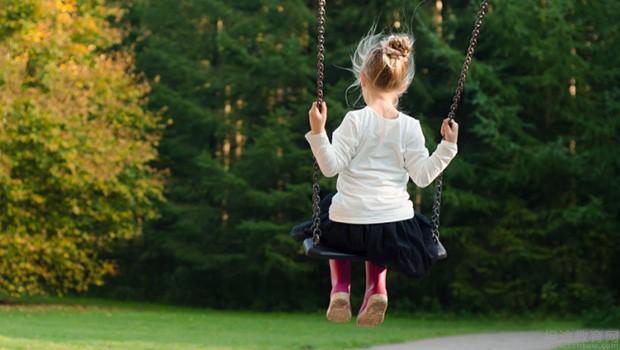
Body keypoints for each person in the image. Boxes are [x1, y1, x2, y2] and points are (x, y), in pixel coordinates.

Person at [304, 30, 459, 327]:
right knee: (381, 230)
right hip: (393, 227)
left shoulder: (354, 120)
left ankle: (340, 289)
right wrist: (447, 147)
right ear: (403, 86)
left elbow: (330, 167)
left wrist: (318, 131)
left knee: (331, 213)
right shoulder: (411, 127)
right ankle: (377, 288)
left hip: (347, 224)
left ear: (362, 78)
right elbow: (424, 176)